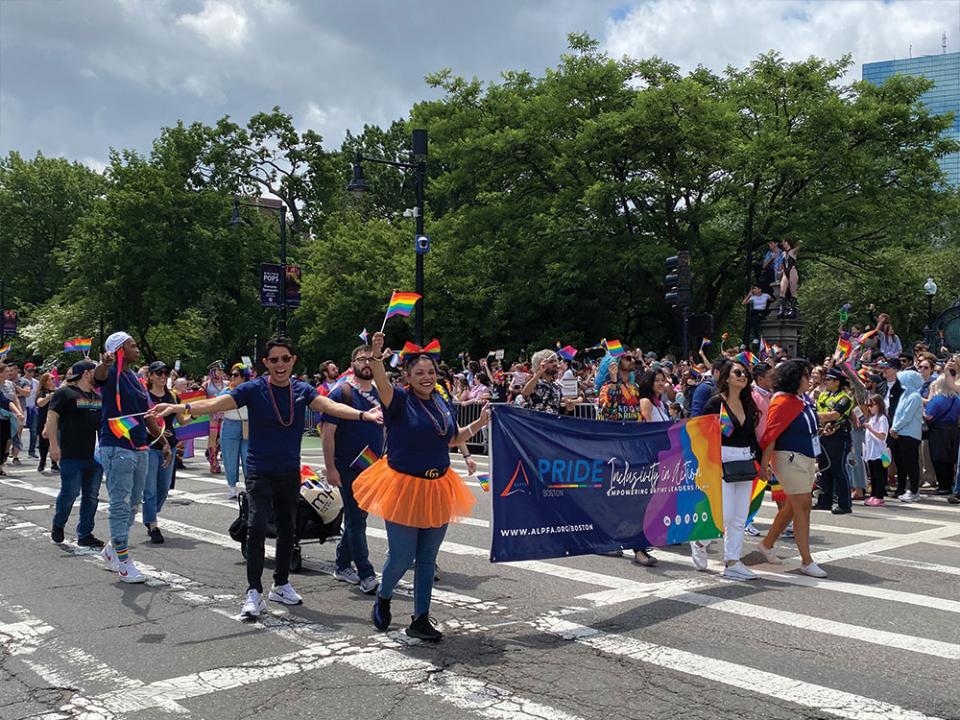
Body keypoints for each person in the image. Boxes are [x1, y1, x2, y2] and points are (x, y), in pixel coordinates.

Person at [150, 336, 383, 619]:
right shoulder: (253, 388)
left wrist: (362, 415)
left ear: (293, 360)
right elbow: (218, 404)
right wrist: (179, 408)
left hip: (289, 470)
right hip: (259, 470)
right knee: (257, 526)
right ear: (266, 363)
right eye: (274, 360)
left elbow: (329, 406)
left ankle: (281, 584)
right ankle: (254, 592)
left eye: (285, 359)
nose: (280, 364)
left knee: (288, 529)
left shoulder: (302, 389)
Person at [354, 332, 489, 641]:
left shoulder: (441, 400)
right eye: (419, 373)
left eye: (430, 372)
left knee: (427, 558)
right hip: (403, 486)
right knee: (402, 557)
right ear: (408, 376)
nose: (427, 378)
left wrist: (480, 423)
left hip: (439, 486)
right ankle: (384, 596)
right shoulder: (398, 399)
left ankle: (420, 619)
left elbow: (452, 439)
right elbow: (381, 382)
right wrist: (376, 358)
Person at [95, 332, 170, 583]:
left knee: (134, 503)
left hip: (140, 447)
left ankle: (111, 549)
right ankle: (124, 562)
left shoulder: (136, 379)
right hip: (117, 447)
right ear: (119, 350)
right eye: (132, 345)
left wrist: (163, 440)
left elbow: (146, 414)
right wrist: (105, 363)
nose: (137, 349)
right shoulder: (111, 373)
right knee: (119, 503)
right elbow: (99, 376)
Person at [691, 359, 762, 580]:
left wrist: (762, 463)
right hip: (720, 460)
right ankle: (700, 541)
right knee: (724, 515)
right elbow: (700, 431)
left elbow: (752, 437)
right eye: (738, 372)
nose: (743, 376)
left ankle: (732, 561)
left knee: (740, 516)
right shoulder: (715, 403)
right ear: (727, 377)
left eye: (745, 374)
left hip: (744, 460)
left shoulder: (749, 403)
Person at [323, 345, 385, 595]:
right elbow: (328, 434)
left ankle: (341, 563)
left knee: (357, 517)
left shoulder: (380, 393)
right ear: (353, 362)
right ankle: (366, 572)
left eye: (372, 359)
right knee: (357, 520)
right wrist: (330, 468)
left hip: (372, 465)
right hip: (347, 465)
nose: (367, 363)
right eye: (363, 358)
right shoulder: (342, 392)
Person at [757, 359, 828, 578]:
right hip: (789, 458)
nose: (810, 379)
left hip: (805, 456)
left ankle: (767, 544)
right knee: (803, 506)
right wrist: (764, 465)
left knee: (793, 505)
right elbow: (771, 435)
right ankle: (807, 560)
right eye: (806, 376)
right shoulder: (782, 401)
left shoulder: (800, 399)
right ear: (795, 379)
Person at [47, 360, 105, 548]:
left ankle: (85, 533)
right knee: (70, 493)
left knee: (91, 496)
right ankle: (59, 524)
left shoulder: (97, 397)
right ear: (87, 373)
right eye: (95, 371)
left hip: (94, 456)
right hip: (71, 453)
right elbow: (52, 418)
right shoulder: (64, 393)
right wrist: (54, 446)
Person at [143, 361, 176, 544]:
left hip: (169, 446)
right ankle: (153, 524)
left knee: (163, 488)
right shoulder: (144, 396)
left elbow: (182, 419)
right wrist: (159, 433)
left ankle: (150, 514)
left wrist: (195, 417)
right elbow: (142, 421)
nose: (163, 376)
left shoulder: (172, 396)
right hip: (150, 446)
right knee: (149, 488)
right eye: (159, 373)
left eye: (166, 373)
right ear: (150, 376)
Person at [814, 368, 854, 514]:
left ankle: (845, 504)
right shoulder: (823, 395)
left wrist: (814, 415)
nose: (826, 382)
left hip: (839, 436)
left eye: (829, 380)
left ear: (837, 382)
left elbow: (834, 415)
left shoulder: (845, 398)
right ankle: (824, 501)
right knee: (824, 469)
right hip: (823, 434)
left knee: (838, 469)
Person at [891, 369, 924, 503]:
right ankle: (909, 489)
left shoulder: (915, 396)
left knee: (911, 463)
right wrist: (895, 428)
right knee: (905, 463)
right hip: (902, 433)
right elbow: (898, 414)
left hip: (910, 435)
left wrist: (895, 427)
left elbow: (907, 416)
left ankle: (914, 490)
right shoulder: (905, 394)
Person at [923, 375, 960, 496]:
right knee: (950, 460)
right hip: (953, 431)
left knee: (938, 459)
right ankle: (948, 485)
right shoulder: (957, 399)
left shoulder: (937, 399)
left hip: (938, 431)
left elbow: (928, 416)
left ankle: (943, 486)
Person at [220, 363, 250, 500]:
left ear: (244, 377)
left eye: (236, 375)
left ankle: (250, 486)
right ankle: (232, 487)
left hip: (248, 425)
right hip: (230, 425)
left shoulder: (251, 390)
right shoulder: (226, 391)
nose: (232, 377)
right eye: (231, 374)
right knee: (230, 458)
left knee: (247, 458)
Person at [863, 394, 890, 506]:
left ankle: (879, 496)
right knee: (873, 475)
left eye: (872, 405)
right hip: (871, 452)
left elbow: (882, 436)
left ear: (879, 405)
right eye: (868, 405)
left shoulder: (882, 419)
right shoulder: (871, 419)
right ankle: (873, 495)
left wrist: (870, 428)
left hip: (879, 452)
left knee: (879, 475)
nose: (870, 407)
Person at [203, 361, 227, 473]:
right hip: (211, 414)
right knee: (213, 436)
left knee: (221, 438)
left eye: (222, 370)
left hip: (224, 414)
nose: (221, 372)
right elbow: (200, 399)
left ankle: (213, 455)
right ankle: (213, 462)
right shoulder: (206, 384)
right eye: (219, 370)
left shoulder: (226, 384)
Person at [35, 372, 58, 473]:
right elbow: (39, 403)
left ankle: (54, 462)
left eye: (54, 379)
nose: (53, 380)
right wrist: (48, 397)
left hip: (56, 419)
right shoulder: (42, 392)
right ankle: (42, 461)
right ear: (45, 381)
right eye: (51, 379)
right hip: (44, 418)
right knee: (43, 442)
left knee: (55, 440)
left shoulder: (58, 391)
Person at [777, 238, 799, 319]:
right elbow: (782, 264)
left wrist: (801, 242)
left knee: (793, 290)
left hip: (792, 270)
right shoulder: (782, 253)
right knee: (782, 290)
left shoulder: (792, 251)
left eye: (784, 242)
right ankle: (781, 310)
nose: (783, 243)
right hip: (785, 272)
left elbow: (799, 246)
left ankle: (792, 310)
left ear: (788, 242)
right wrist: (781, 271)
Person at [22, 362, 40, 459]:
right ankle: (13, 449)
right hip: (22, 407)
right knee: (18, 430)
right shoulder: (20, 381)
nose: (31, 372)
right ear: (25, 370)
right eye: (29, 370)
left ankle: (32, 450)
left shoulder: (36, 382)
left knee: (34, 430)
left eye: (32, 370)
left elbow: (37, 394)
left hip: (33, 408)